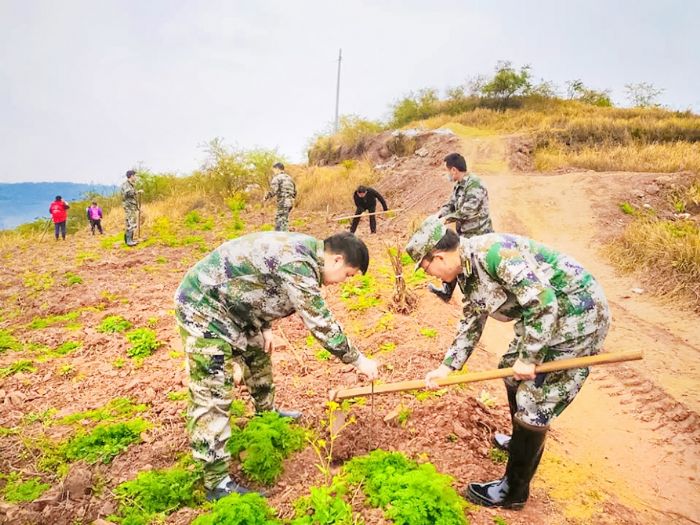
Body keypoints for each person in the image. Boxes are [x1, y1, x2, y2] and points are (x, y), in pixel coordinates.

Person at [406, 216, 610, 510]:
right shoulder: (465, 268)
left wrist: (529, 359)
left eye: (427, 268)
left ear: (438, 256)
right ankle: (519, 442)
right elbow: (471, 320)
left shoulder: (493, 254)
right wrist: (447, 367)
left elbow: (543, 301)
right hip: (545, 318)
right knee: (510, 371)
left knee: (534, 397)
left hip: (577, 315)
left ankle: (513, 491)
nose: (430, 275)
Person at [174, 230, 379, 500]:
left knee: (259, 350)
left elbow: (259, 280)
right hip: (203, 308)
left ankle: (266, 413)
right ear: (337, 260)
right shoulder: (298, 264)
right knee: (213, 392)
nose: (344, 282)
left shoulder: (304, 251)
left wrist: (265, 324)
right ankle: (216, 482)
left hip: (234, 309)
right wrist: (358, 360)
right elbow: (320, 322)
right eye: (348, 275)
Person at [430, 152, 493, 302]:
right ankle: (447, 290)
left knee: (478, 268)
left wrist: (446, 219)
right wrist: (438, 215)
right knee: (454, 258)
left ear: (453, 170)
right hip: (465, 234)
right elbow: (450, 204)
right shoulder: (458, 186)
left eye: (447, 170)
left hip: (480, 235)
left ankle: (485, 296)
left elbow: (467, 211)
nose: (447, 174)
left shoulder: (475, 185)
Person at [264, 163, 296, 231]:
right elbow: (295, 192)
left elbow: (273, 191)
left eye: (274, 170)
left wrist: (266, 197)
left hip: (283, 202)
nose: (274, 172)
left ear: (277, 169)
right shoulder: (290, 178)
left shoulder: (277, 178)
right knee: (285, 220)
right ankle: (285, 236)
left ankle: (280, 238)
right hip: (290, 202)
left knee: (279, 221)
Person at [121, 170, 140, 246]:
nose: (135, 177)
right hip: (129, 207)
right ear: (131, 176)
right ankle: (129, 241)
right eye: (135, 176)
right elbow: (128, 193)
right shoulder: (126, 185)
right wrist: (137, 192)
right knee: (131, 222)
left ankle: (129, 240)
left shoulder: (131, 184)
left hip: (131, 206)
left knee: (130, 222)